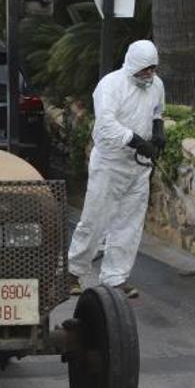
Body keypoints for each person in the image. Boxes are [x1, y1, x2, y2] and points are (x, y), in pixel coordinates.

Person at [68, 40, 166, 299]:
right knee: (95, 219)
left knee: (129, 224)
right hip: (110, 163)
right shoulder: (110, 85)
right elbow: (106, 126)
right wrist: (136, 140)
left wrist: (158, 132)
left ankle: (115, 278)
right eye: (145, 69)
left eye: (153, 68)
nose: (150, 74)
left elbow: (158, 112)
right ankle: (73, 272)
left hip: (138, 166)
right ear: (133, 64)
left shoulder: (156, 85)